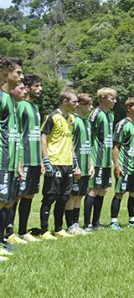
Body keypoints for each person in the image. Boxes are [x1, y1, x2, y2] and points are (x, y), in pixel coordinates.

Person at [39, 89, 79, 240]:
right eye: (74, 102)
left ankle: (58, 229)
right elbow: (43, 137)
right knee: (50, 197)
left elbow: (69, 142)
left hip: (67, 163)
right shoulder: (52, 117)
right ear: (65, 102)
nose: (76, 104)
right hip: (54, 163)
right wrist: (46, 160)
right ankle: (44, 231)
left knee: (63, 197)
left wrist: (74, 161)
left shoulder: (71, 119)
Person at [0, 57, 24, 253]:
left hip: (9, 160)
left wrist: (17, 162)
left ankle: (2, 242)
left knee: (6, 201)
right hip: (1, 159)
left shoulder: (10, 99)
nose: (21, 77)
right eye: (18, 73)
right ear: (5, 73)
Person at [84, 87, 116, 230]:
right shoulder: (95, 114)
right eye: (111, 98)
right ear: (103, 98)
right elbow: (88, 135)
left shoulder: (111, 115)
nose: (114, 101)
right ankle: (87, 224)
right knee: (93, 190)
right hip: (96, 158)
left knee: (103, 190)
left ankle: (96, 223)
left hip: (106, 160)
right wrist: (89, 158)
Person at [15, 75, 43, 242]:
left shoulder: (35, 108)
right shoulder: (20, 106)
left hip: (34, 160)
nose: (40, 89)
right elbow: (17, 132)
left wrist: (39, 159)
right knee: (17, 196)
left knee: (29, 195)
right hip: (23, 158)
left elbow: (36, 135)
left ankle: (23, 231)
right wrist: (18, 159)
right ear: (27, 87)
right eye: (37, 86)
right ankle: (9, 233)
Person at [110, 98, 134, 230]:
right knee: (119, 193)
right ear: (128, 108)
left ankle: (132, 220)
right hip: (124, 166)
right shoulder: (122, 124)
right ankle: (114, 222)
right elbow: (115, 146)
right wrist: (117, 166)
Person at [64, 93, 94, 234]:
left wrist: (91, 163)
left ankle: (76, 224)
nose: (91, 107)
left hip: (86, 165)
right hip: (75, 165)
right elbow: (69, 144)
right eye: (89, 104)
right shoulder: (73, 120)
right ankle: (70, 225)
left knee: (80, 195)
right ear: (80, 105)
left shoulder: (86, 122)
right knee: (72, 195)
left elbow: (88, 145)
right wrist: (75, 165)